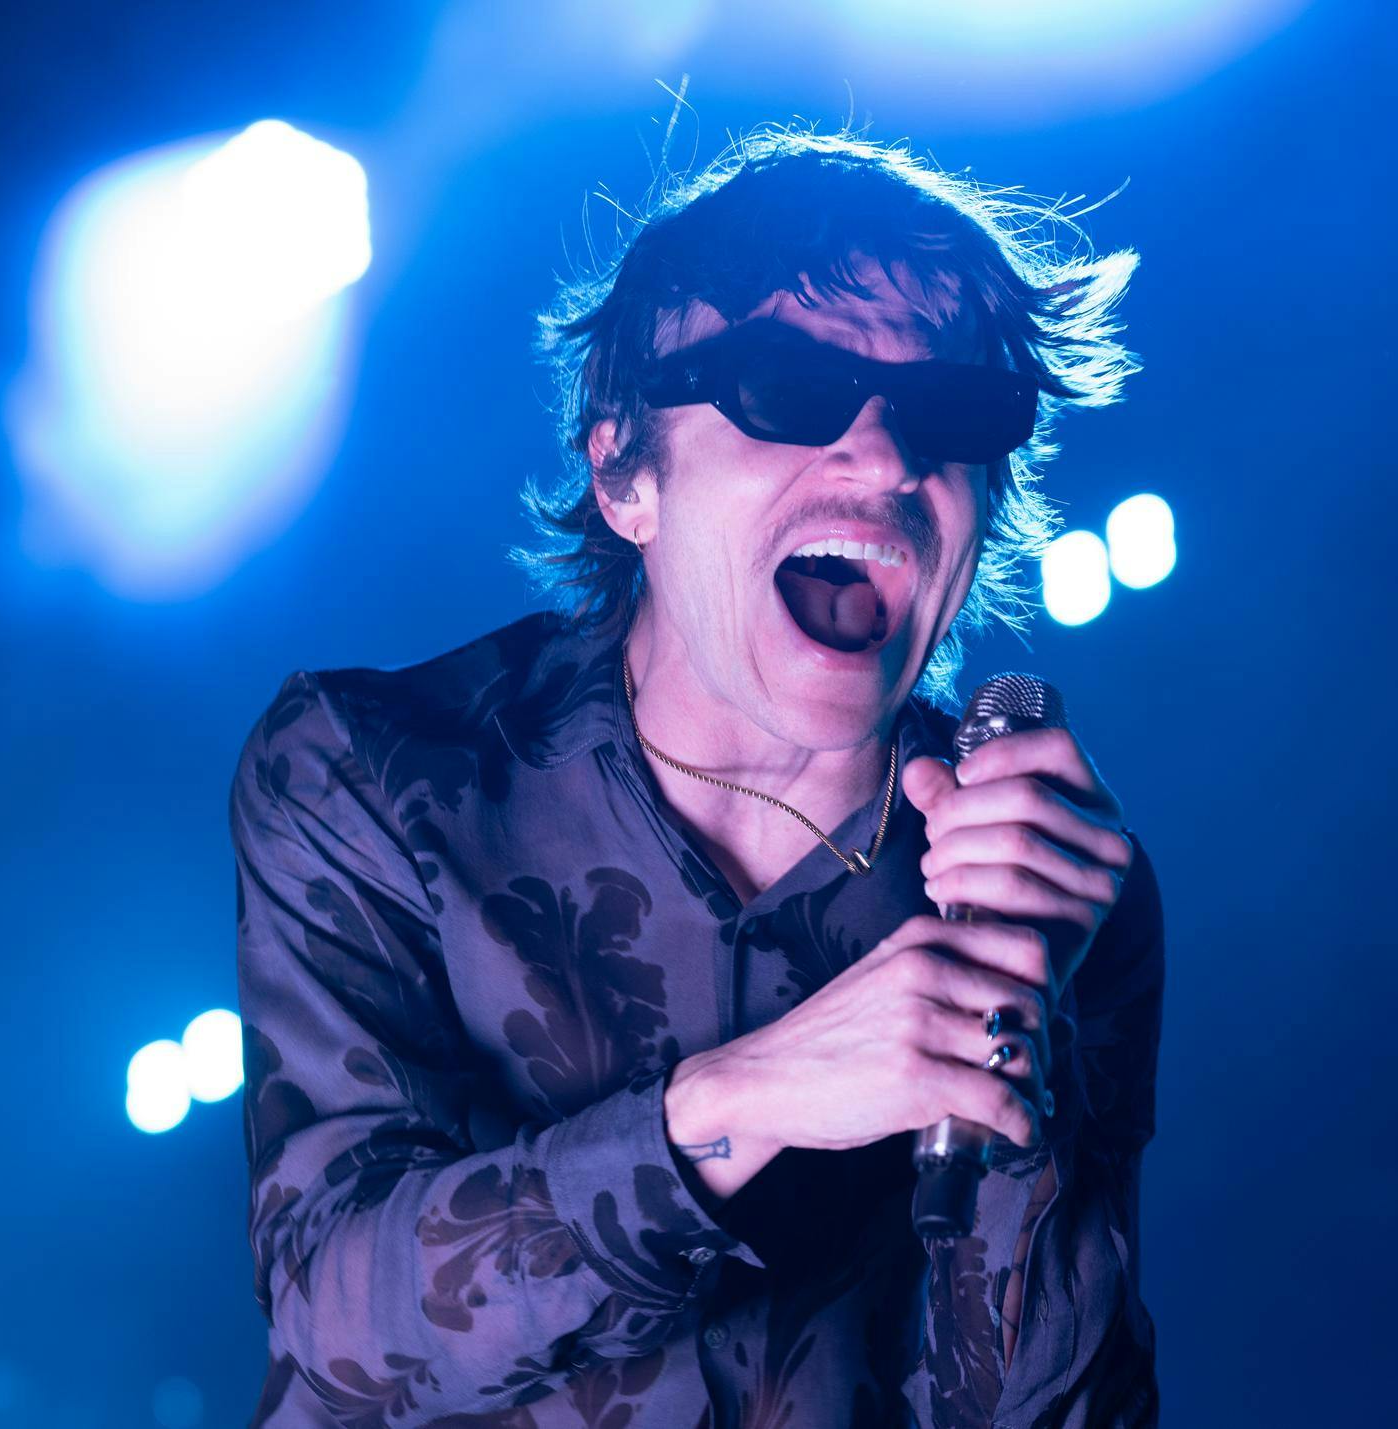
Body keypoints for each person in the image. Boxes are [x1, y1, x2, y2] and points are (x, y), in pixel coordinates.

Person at [228, 127, 1163, 1427]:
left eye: (955, 411)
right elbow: (342, 1318)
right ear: (623, 469)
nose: (891, 459)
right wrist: (749, 1097)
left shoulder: (1043, 876)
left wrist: (1029, 1047)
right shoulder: (374, 772)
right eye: (787, 386)